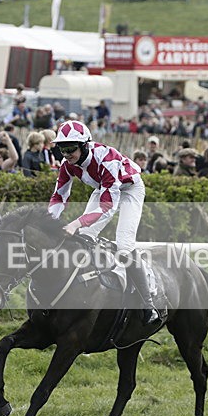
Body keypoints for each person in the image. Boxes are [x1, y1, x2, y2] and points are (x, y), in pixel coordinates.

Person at [48, 120, 160, 325]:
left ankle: (149, 303)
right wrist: (50, 223)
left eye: (71, 148)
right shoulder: (67, 165)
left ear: (84, 145)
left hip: (129, 190)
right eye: (62, 149)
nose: (66, 154)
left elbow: (106, 207)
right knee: (84, 238)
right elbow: (59, 197)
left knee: (124, 246)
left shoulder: (106, 159)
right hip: (105, 189)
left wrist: (75, 224)